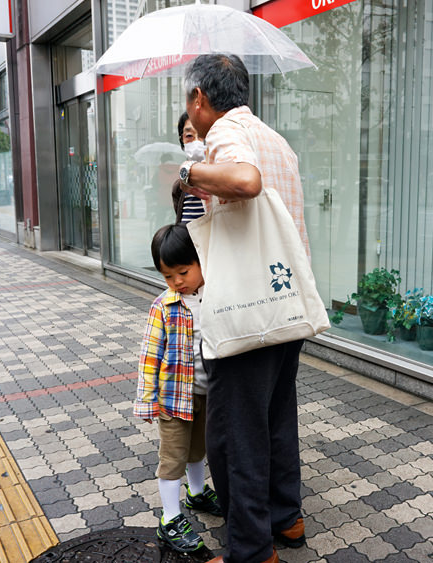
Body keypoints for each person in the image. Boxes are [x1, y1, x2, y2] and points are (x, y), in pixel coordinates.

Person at [178, 54, 308, 563]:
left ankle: (252, 551)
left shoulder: (225, 135)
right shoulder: (276, 138)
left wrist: (189, 170)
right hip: (285, 301)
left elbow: (247, 183)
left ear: (199, 99)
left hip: (244, 308)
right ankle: (287, 520)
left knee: (234, 434)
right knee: (277, 417)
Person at [135, 223, 222, 554]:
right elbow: (149, 357)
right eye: (168, 276)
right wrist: (146, 402)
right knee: (172, 458)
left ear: (201, 260)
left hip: (207, 394)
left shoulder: (214, 296)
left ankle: (197, 494)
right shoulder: (164, 306)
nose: (177, 282)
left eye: (183, 272)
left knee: (198, 450)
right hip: (173, 400)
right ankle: (170, 518)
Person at [172, 112, 206, 223]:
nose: (197, 142)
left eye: (203, 135)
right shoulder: (179, 187)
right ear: (182, 140)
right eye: (189, 136)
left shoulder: (224, 178)